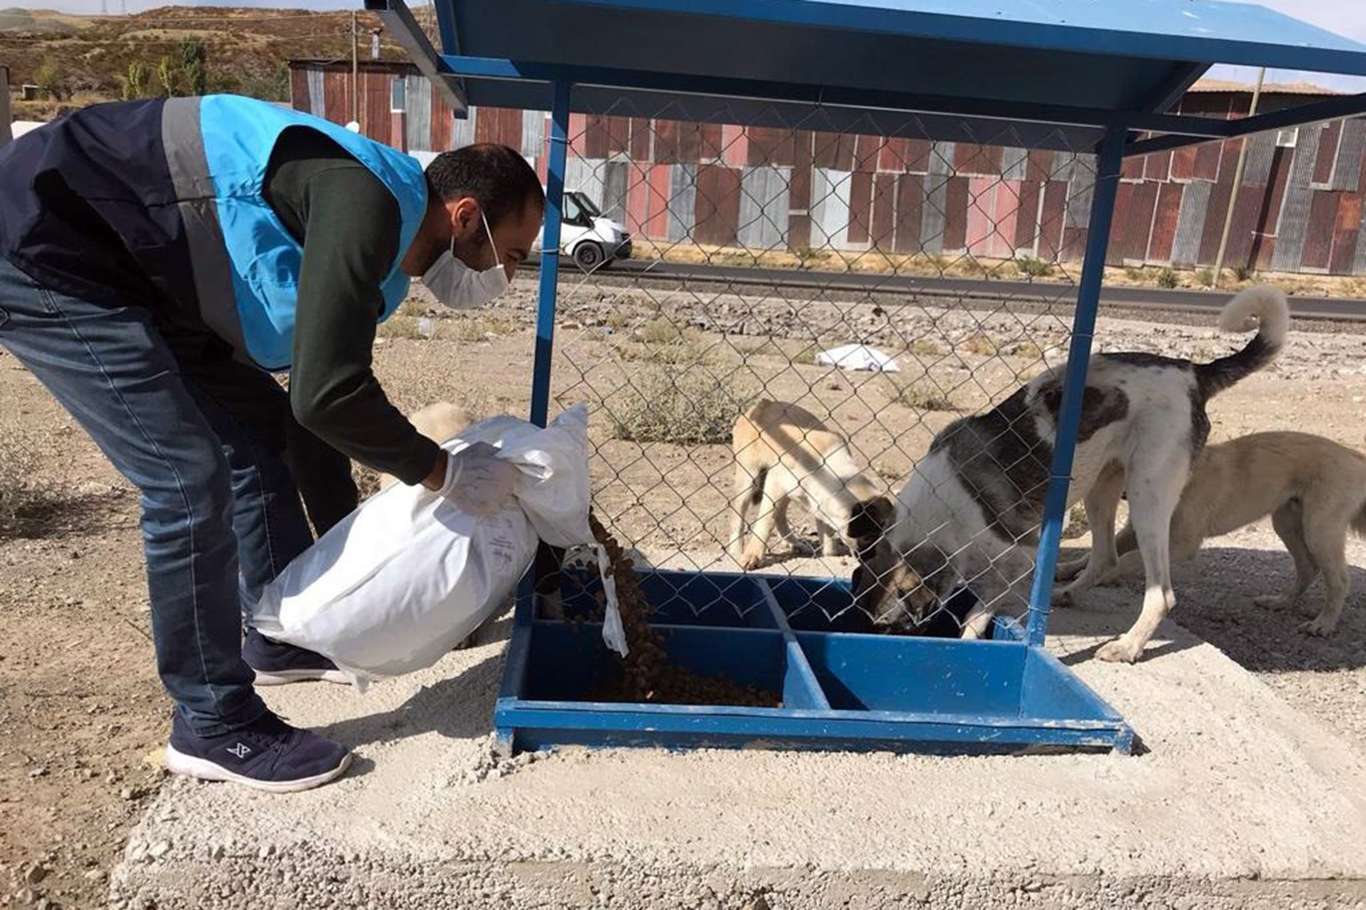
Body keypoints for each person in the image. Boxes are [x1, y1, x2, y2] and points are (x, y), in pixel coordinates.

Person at [0, 94, 545, 792]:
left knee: (260, 435)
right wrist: (441, 471)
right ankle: (212, 723)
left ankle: (278, 636)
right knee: (186, 480)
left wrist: (350, 574)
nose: (505, 277)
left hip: (143, 276)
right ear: (465, 217)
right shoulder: (366, 202)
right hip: (48, 241)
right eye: (510, 255)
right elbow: (327, 397)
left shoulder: (384, 244)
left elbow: (308, 416)